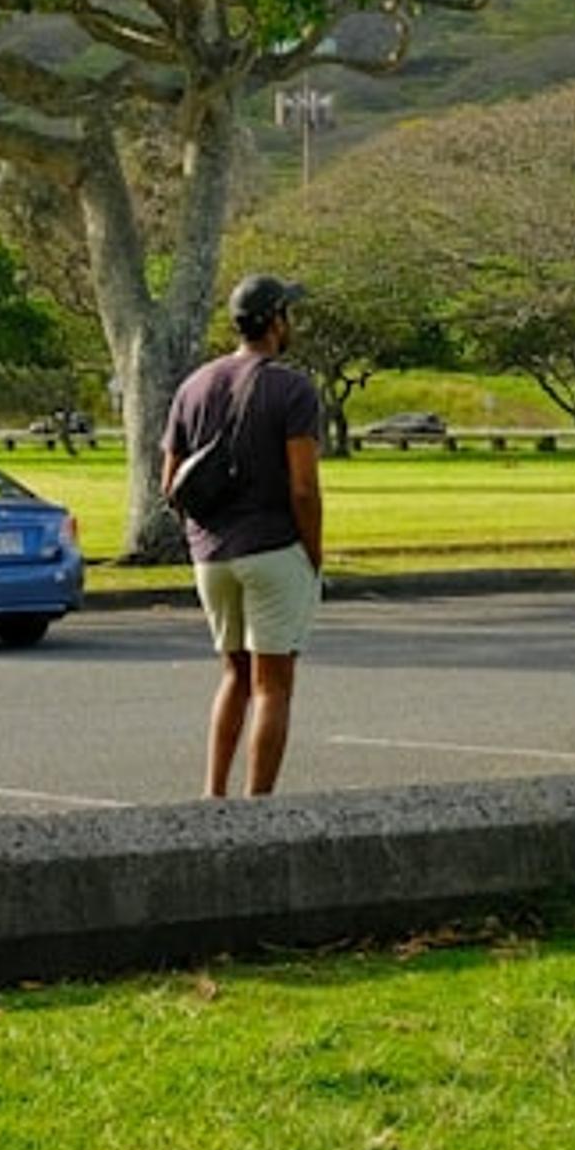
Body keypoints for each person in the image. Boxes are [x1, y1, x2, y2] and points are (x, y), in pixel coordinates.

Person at [161, 271, 326, 796]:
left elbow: (171, 484)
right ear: (276, 322)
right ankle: (259, 809)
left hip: (211, 553)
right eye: (287, 315)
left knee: (233, 674)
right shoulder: (292, 389)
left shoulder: (194, 386)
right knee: (273, 683)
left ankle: (214, 796)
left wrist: (204, 537)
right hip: (274, 548)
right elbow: (303, 487)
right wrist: (313, 553)